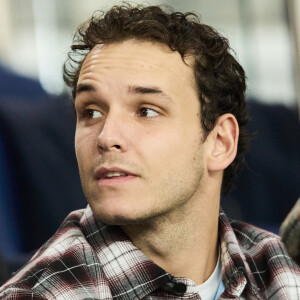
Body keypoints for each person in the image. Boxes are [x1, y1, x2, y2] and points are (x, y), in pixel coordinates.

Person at [0, 4, 299, 299]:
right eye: (90, 112)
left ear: (220, 142)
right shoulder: (41, 294)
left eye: (146, 111)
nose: (107, 137)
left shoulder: (281, 271)